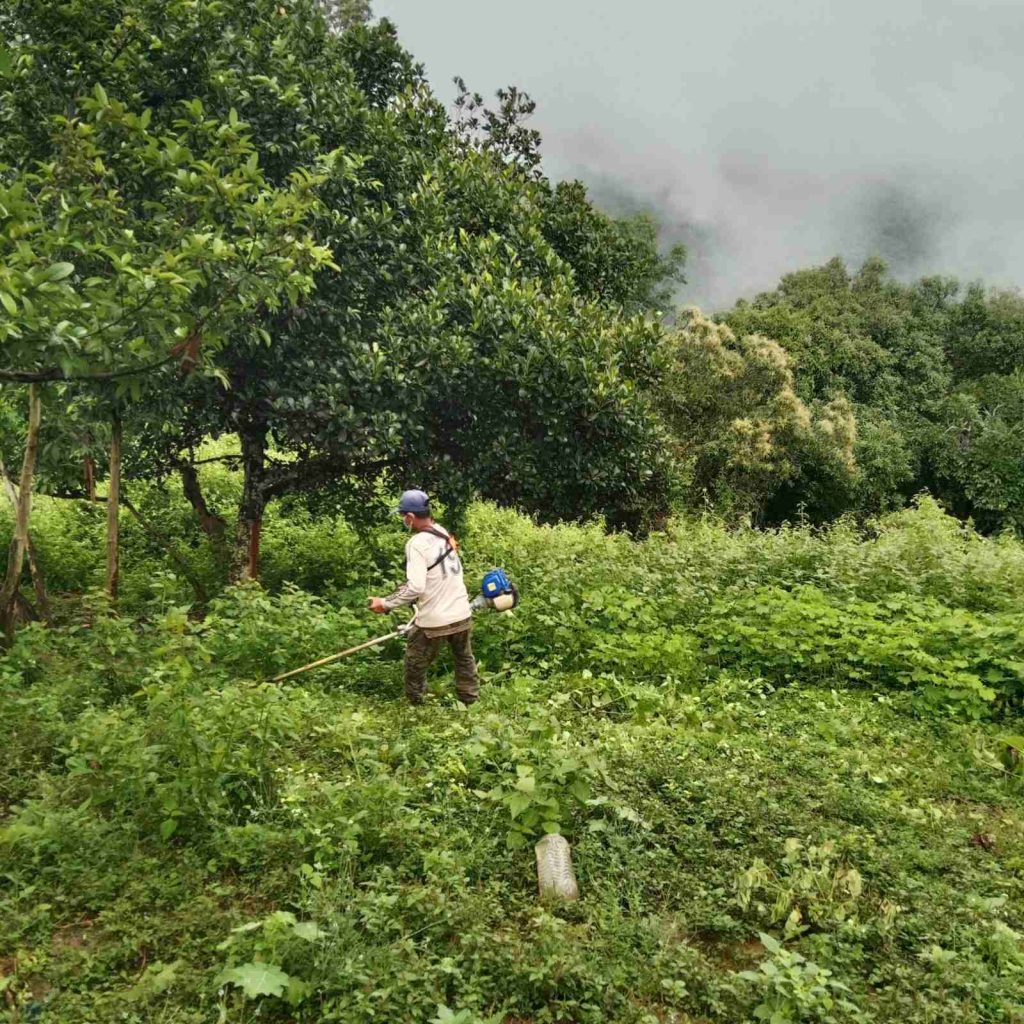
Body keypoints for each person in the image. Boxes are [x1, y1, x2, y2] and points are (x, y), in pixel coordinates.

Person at [367, 489, 480, 706]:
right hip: (461, 612)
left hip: (434, 620)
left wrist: (386, 603)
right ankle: (469, 700)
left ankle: (416, 705)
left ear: (410, 517)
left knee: (415, 661)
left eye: (403, 517)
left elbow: (416, 586)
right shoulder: (442, 531)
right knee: (464, 657)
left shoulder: (417, 543)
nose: (403, 520)